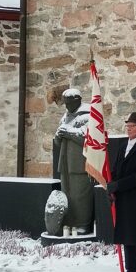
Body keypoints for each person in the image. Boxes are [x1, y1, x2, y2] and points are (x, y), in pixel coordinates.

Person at [104, 112, 136, 272]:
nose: (129, 128)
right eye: (128, 125)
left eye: (132, 126)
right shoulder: (124, 145)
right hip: (123, 197)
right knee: (126, 234)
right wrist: (112, 184)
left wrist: (120, 185)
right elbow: (117, 169)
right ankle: (130, 270)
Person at [52, 91, 93, 234]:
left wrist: (68, 131)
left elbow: (88, 138)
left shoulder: (88, 115)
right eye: (66, 103)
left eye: (70, 102)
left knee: (80, 196)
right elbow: (58, 142)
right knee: (67, 195)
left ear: (78, 100)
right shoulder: (65, 117)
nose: (67, 105)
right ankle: (70, 223)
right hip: (65, 163)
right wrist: (58, 136)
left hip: (79, 163)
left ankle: (83, 224)